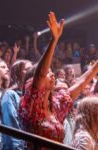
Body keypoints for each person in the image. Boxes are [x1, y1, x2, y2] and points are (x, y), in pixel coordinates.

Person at [19, 12, 98, 149]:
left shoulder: (56, 105)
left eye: (52, 72)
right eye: (48, 73)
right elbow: (41, 74)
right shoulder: (31, 105)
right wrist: (54, 40)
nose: (52, 75)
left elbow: (81, 83)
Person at [1, 60, 32, 150]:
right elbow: (11, 127)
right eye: (27, 69)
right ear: (17, 74)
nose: (32, 71)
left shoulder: (29, 95)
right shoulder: (10, 95)